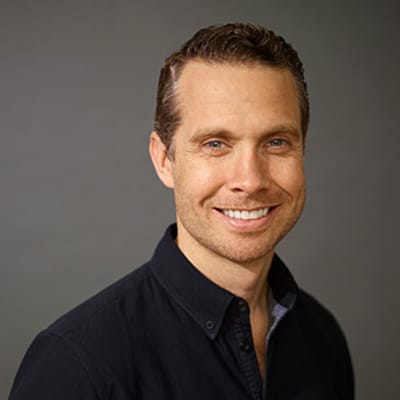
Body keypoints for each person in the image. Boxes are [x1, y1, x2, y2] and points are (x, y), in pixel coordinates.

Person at [9, 23, 354, 400]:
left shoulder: (322, 336)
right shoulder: (76, 365)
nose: (251, 180)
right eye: (216, 143)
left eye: (276, 142)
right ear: (164, 160)